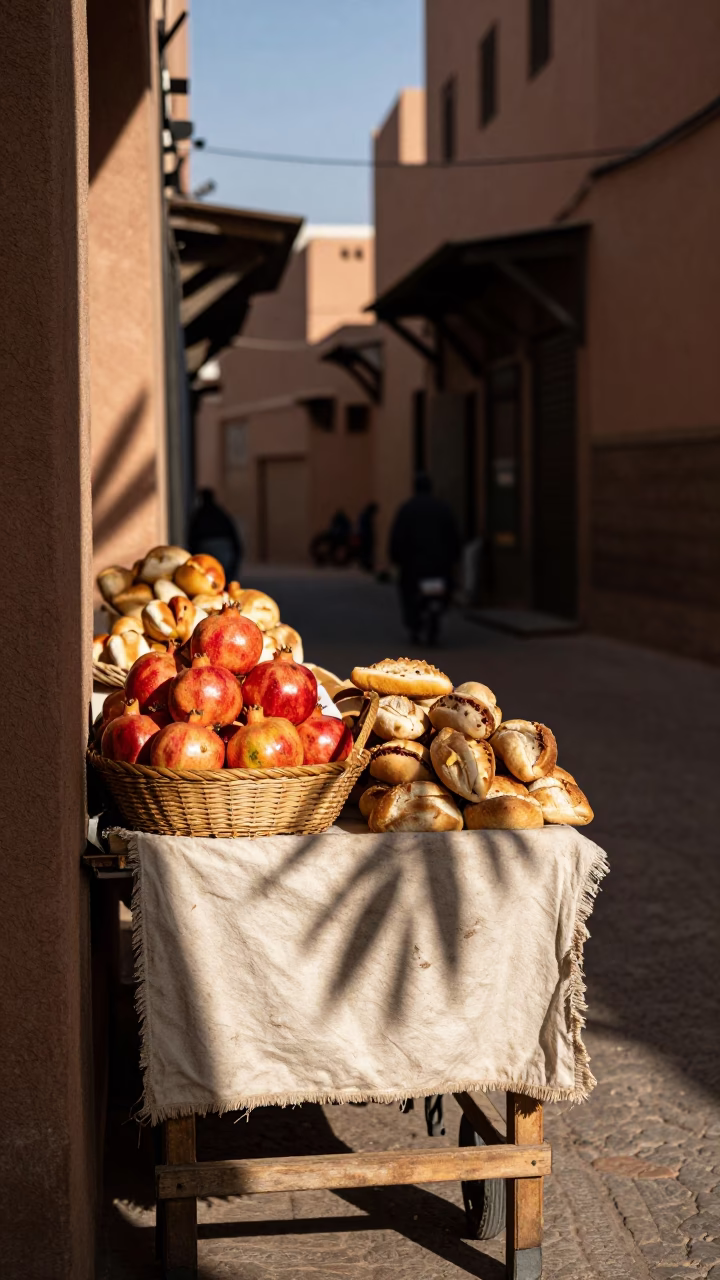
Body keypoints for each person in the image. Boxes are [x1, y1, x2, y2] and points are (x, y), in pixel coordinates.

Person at [389, 473, 461, 644]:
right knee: (445, 589)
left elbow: (397, 536)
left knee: (408, 593)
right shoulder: (443, 508)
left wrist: (396, 557)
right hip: (440, 565)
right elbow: (454, 536)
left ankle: (415, 624)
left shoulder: (407, 509)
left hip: (414, 565)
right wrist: (454, 558)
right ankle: (435, 614)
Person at [188, 488, 243, 583]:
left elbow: (192, 536)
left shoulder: (200, 514)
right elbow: (232, 532)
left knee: (209, 575)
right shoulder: (219, 513)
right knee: (221, 574)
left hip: (208, 546)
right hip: (219, 546)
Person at [357, 501, 379, 572]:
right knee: (367, 552)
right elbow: (366, 529)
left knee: (366, 552)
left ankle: (366, 565)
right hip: (366, 537)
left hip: (364, 536)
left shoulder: (364, 516)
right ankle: (366, 565)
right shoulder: (366, 516)